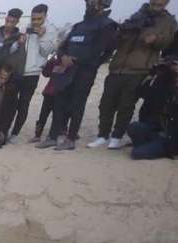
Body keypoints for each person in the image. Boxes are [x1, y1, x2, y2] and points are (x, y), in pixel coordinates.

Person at [90, 0, 177, 149]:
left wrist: (155, 39)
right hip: (117, 67)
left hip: (139, 70)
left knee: (126, 105)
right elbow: (117, 40)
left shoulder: (168, 21)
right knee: (106, 104)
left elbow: (167, 43)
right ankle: (102, 135)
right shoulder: (137, 15)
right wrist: (120, 33)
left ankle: (117, 136)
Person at [38, 0, 118, 151]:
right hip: (66, 70)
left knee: (77, 105)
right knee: (59, 103)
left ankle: (70, 139)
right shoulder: (78, 26)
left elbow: (101, 51)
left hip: (85, 72)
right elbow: (62, 47)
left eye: (95, 3)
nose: (91, 5)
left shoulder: (108, 25)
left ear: (103, 5)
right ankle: (52, 137)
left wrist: (79, 61)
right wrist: (63, 57)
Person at [10, 4, 58, 143]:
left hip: (32, 73)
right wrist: (19, 42)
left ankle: (15, 133)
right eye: (33, 18)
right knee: (10, 102)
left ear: (45, 16)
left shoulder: (51, 30)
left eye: (39, 18)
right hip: (17, 70)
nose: (35, 21)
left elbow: (45, 52)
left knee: (23, 104)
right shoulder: (26, 26)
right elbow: (15, 47)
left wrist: (40, 36)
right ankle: (4, 129)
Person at [127, 58, 178, 159]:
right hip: (156, 132)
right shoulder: (166, 89)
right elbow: (142, 92)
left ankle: (155, 148)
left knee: (137, 153)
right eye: (177, 75)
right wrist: (153, 74)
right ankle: (150, 146)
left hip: (170, 138)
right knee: (134, 127)